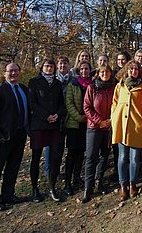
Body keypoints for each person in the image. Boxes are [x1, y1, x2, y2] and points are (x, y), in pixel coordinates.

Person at [0, 63, 28, 211]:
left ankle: (8, 195)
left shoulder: (23, 89)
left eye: (16, 70)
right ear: (5, 74)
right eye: (11, 71)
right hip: (3, 137)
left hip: (20, 135)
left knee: (13, 167)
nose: (14, 73)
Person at [111, 60, 142, 201]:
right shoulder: (119, 86)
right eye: (131, 69)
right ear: (127, 71)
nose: (133, 71)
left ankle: (133, 184)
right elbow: (114, 103)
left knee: (134, 158)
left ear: (139, 71)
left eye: (135, 69)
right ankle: (123, 186)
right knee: (122, 157)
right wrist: (113, 116)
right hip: (121, 125)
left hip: (136, 125)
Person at [28, 59, 66, 203]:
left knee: (55, 157)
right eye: (47, 66)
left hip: (55, 125)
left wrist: (57, 115)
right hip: (39, 124)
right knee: (36, 158)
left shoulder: (57, 83)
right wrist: (46, 116)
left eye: (51, 66)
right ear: (42, 67)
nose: (49, 68)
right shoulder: (34, 82)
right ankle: (35, 189)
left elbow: (61, 104)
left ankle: (52, 187)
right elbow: (32, 103)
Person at [81, 64, 115, 202]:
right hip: (94, 127)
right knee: (91, 157)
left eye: (107, 72)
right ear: (98, 73)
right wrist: (99, 121)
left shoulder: (113, 87)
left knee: (104, 155)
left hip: (108, 127)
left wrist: (110, 120)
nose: (105, 74)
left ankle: (98, 181)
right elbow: (87, 107)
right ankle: (88, 188)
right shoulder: (92, 87)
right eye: (102, 72)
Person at [63, 61, 91, 196]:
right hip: (74, 124)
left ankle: (77, 177)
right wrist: (80, 118)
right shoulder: (73, 84)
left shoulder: (92, 84)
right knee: (72, 153)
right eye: (82, 69)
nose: (84, 71)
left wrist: (88, 118)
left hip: (88, 124)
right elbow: (69, 103)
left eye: (86, 69)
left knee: (81, 152)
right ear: (79, 71)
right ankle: (67, 182)